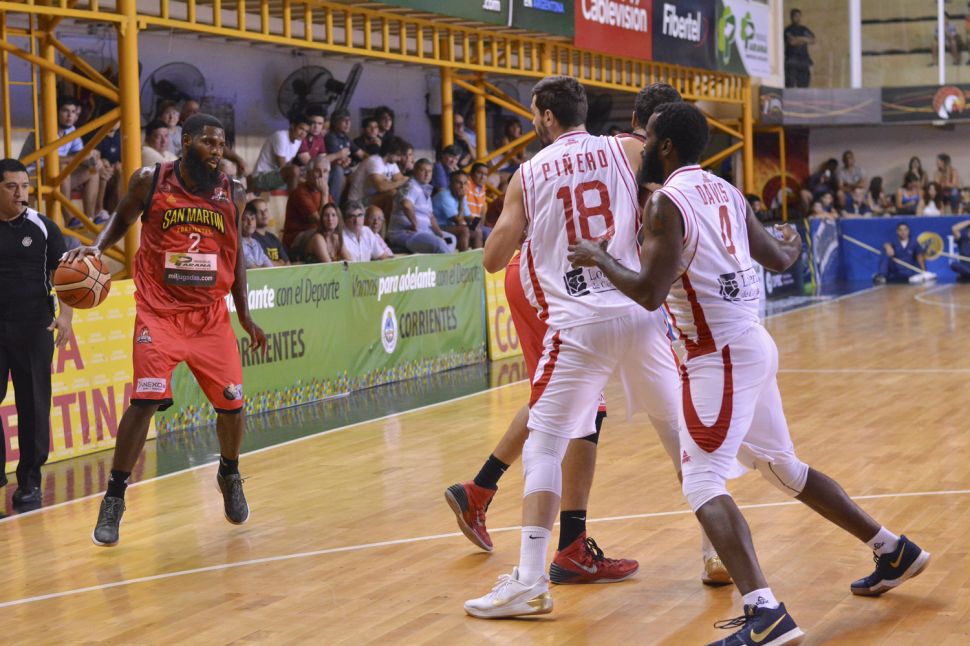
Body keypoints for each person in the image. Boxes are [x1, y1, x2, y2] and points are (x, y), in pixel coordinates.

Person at [567, 101, 930, 644]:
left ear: (665, 146)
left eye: (648, 140)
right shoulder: (727, 192)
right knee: (782, 468)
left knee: (701, 480)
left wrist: (599, 257)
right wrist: (793, 241)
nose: (640, 150)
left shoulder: (666, 202)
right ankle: (892, 550)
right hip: (751, 345)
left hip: (718, 356)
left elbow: (649, 293)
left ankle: (765, 613)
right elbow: (780, 258)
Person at [463, 77, 691, 619]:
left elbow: (492, 260)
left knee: (545, 445)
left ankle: (529, 581)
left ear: (546, 116)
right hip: (637, 313)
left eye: (533, 114)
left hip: (577, 325)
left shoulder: (528, 174)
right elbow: (669, 201)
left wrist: (530, 223)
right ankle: (716, 552)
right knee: (680, 435)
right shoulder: (627, 149)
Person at [62, 114, 267, 546]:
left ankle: (229, 473)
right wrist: (97, 247)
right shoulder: (149, 180)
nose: (216, 152)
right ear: (185, 141)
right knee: (144, 401)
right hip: (159, 313)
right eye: (209, 143)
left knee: (232, 404)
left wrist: (245, 315)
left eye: (221, 144)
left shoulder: (233, 191)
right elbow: (122, 219)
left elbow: (236, 258)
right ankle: (114, 497)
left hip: (209, 316)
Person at [0, 159, 74, 509]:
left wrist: (66, 316)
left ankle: (29, 481)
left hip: (34, 326)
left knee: (32, 404)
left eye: (25, 186)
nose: (21, 193)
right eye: (11, 186)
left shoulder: (43, 226)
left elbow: (66, 274)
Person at [19, 96, 102, 227]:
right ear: (56, 112)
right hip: (32, 176)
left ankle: (89, 219)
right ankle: (69, 219)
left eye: (73, 112)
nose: (70, 116)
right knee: (63, 167)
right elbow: (50, 159)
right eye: (65, 111)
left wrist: (94, 161)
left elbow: (81, 157)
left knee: (93, 172)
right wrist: (82, 157)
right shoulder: (45, 129)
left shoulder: (71, 130)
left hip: (56, 178)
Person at [388, 158, 451, 254]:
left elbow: (431, 217)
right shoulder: (411, 186)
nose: (427, 174)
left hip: (423, 232)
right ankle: (448, 263)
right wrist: (415, 225)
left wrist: (440, 234)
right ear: (415, 171)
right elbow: (406, 205)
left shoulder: (425, 190)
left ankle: (438, 262)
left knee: (451, 239)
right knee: (439, 244)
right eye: (423, 170)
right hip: (405, 233)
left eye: (429, 171)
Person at [345, 136, 412, 208]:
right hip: (356, 202)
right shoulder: (375, 161)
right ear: (389, 153)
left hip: (372, 199)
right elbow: (381, 187)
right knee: (391, 193)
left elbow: (402, 180)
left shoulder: (391, 164)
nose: (399, 159)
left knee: (403, 195)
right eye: (398, 155)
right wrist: (401, 182)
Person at [249, 114, 309, 192]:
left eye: (306, 131)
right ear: (293, 126)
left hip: (276, 178)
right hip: (261, 177)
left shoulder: (298, 141)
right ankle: (293, 199)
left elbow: (288, 164)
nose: (303, 133)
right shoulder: (281, 136)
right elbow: (283, 167)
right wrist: (299, 178)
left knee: (309, 178)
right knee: (294, 170)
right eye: (301, 128)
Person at [283, 157, 331, 252]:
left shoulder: (324, 192)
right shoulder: (300, 192)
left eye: (325, 171)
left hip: (316, 234)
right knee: (322, 235)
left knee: (338, 234)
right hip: (295, 239)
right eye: (317, 171)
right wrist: (325, 194)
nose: (322, 175)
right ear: (308, 174)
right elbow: (321, 223)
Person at [325, 109, 366, 202]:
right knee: (339, 172)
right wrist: (345, 161)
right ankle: (333, 204)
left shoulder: (346, 138)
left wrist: (375, 160)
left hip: (346, 169)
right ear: (335, 123)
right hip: (334, 170)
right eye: (344, 120)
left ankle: (357, 205)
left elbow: (362, 154)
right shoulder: (331, 137)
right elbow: (339, 162)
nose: (348, 123)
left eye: (349, 120)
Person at [248, 199, 289, 266]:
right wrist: (280, 263)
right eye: (260, 211)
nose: (264, 214)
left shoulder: (273, 238)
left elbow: (287, 263)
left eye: (265, 210)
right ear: (252, 215)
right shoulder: (251, 238)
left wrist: (279, 264)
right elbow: (263, 264)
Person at [784, 9, 815, 88]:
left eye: (799, 16)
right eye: (796, 16)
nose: (798, 18)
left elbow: (813, 40)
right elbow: (792, 42)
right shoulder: (788, 30)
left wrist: (799, 39)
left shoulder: (804, 29)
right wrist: (805, 39)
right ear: (791, 17)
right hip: (792, 61)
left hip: (804, 61)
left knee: (804, 85)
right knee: (790, 85)